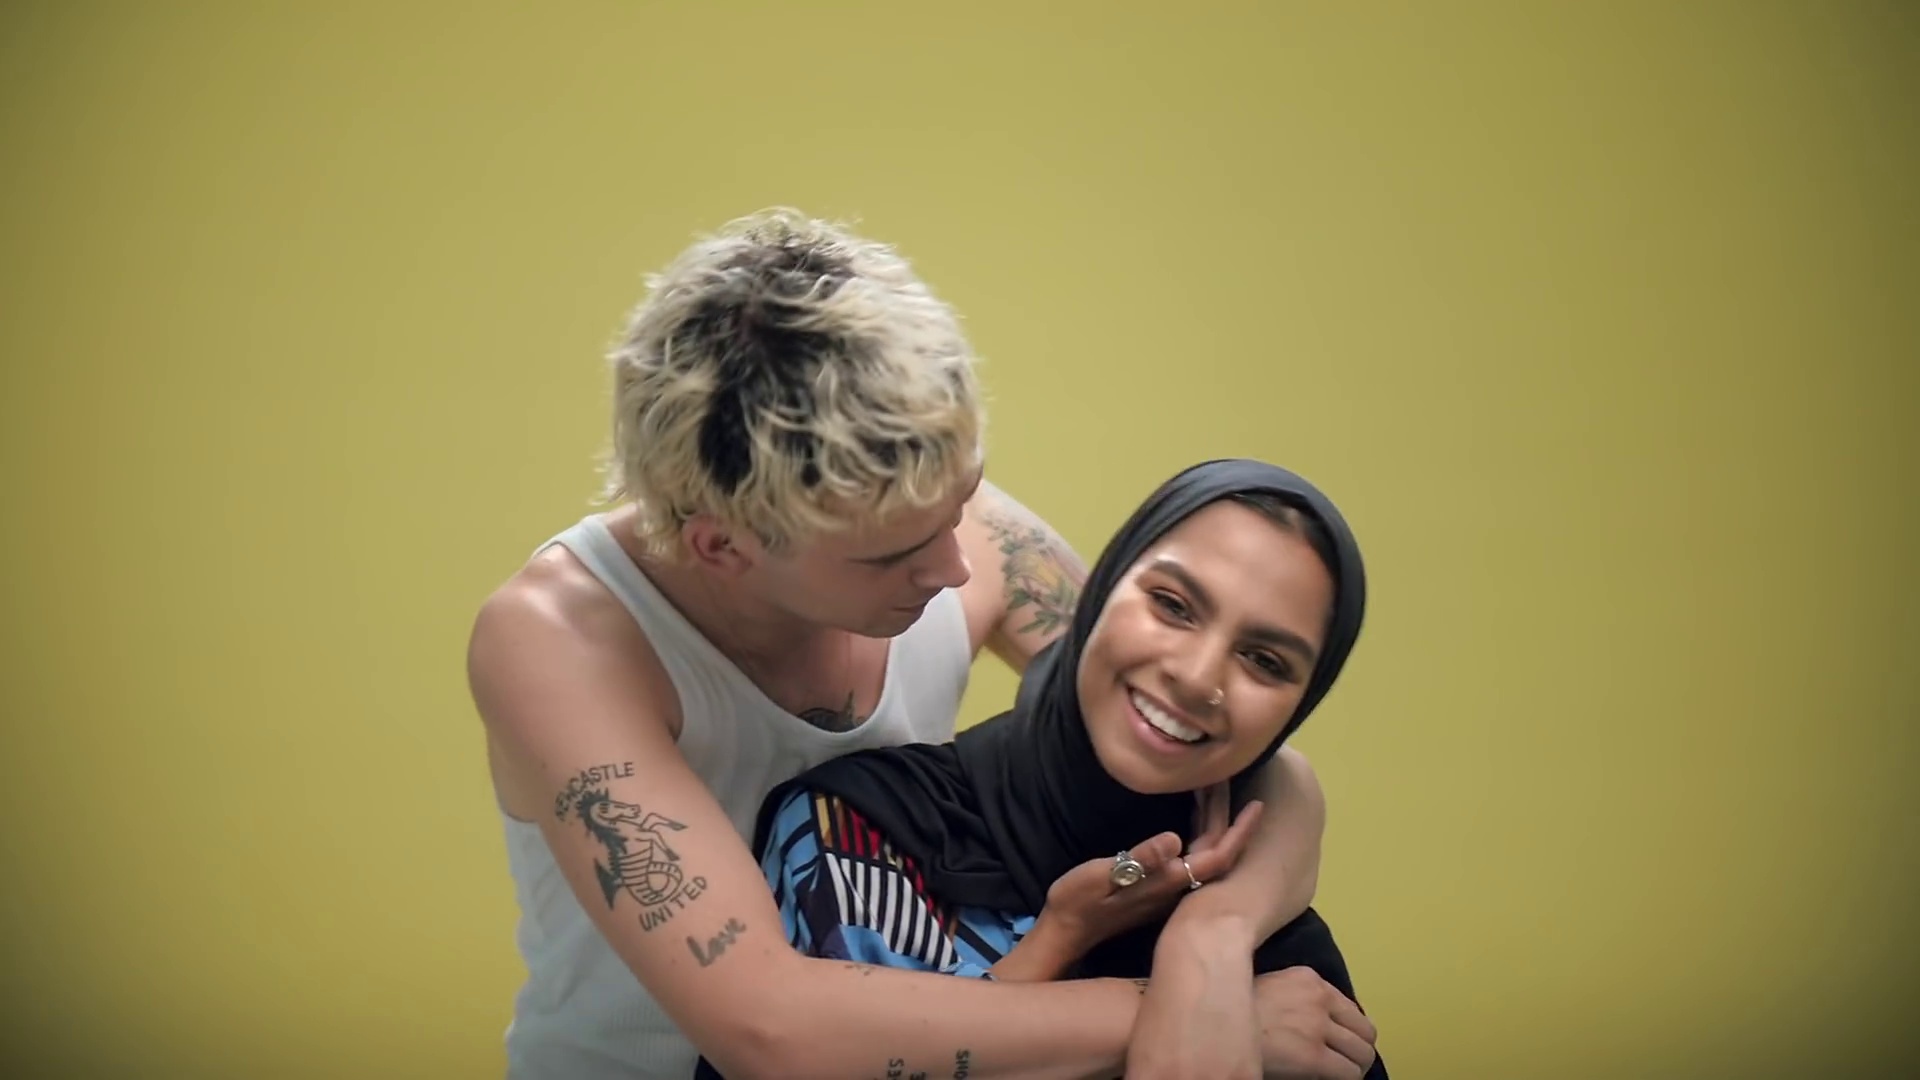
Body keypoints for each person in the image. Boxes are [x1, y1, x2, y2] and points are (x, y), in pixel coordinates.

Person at [466, 209, 1370, 1079]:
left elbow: (1214, 737)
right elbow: (774, 1031)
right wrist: (1192, 1012)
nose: (957, 565)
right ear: (722, 546)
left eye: (962, 501)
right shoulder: (560, 642)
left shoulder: (928, 512)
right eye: (893, 556)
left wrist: (1214, 941)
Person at [703, 458, 1386, 1080]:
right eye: (1173, 605)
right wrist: (1086, 956)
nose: (1197, 676)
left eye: (1265, 662)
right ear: (1101, 592)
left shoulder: (1256, 898)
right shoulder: (859, 831)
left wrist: (1210, 934)